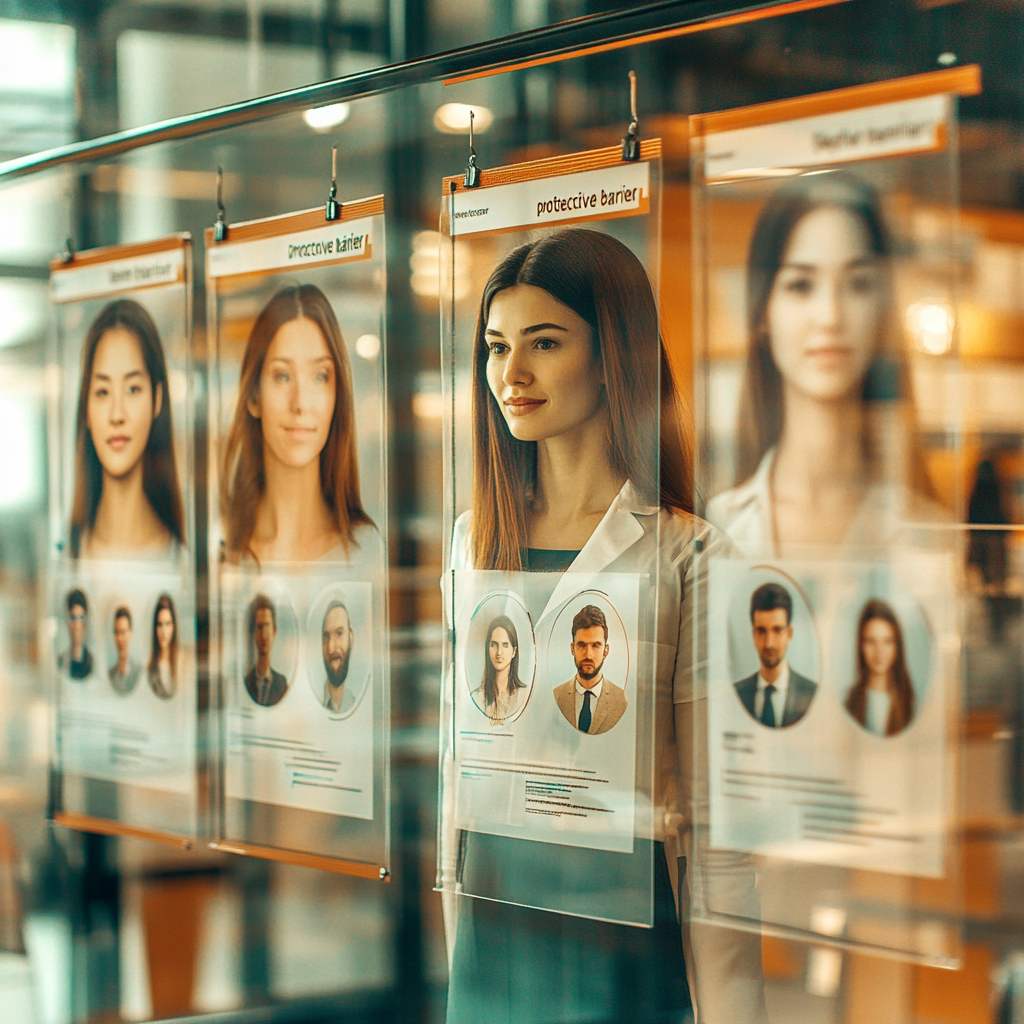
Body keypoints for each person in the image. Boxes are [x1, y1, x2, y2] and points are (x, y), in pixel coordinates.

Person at [442, 228, 767, 1022]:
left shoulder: (687, 553)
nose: (510, 375)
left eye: (543, 343)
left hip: (623, 934)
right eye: (495, 347)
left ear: (613, 351)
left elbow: (718, 825)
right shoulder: (474, 539)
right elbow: (459, 777)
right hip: (495, 921)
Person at [706, 172, 935, 557]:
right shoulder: (719, 527)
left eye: (858, 284)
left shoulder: (926, 532)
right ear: (763, 312)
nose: (830, 315)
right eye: (801, 285)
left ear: (883, 309)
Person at [221, 284, 374, 565]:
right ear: (253, 397)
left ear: (336, 396)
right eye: (282, 376)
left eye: (320, 376)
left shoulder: (368, 553)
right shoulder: (220, 551)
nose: (301, 403)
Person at [69, 299, 185, 558]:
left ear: (157, 400)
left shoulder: (181, 562)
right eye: (102, 392)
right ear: (86, 408)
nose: (117, 414)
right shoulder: (67, 558)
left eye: (133, 389)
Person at [733, 582, 817, 728]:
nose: (769, 643)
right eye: (761, 631)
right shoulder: (735, 694)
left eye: (777, 630)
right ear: (753, 635)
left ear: (789, 633)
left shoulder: (812, 696)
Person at [844, 598, 915, 738]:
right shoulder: (849, 701)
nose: (879, 652)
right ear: (860, 646)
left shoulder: (910, 702)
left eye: (887, 641)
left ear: (897, 646)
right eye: (871, 641)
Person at [552, 604, 627, 735]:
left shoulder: (621, 701)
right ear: (572, 648)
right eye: (581, 645)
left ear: (606, 650)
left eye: (596, 645)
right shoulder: (556, 697)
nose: (588, 655)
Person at [470, 613, 528, 721]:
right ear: (488, 648)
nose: (499, 652)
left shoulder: (524, 697)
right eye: (494, 645)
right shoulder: (477, 698)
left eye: (505, 645)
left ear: (514, 651)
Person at [244, 593, 287, 707]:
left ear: (274, 631)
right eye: (259, 627)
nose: (263, 635)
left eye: (267, 626)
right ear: (253, 632)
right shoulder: (246, 682)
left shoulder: (282, 683)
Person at [320, 599, 357, 714]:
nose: (331, 648)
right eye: (326, 637)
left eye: (339, 633)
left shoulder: (355, 703)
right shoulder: (313, 702)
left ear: (351, 638)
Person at [147, 593, 178, 700]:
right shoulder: (150, 667)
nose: (164, 632)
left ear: (174, 626)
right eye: (160, 625)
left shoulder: (182, 663)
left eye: (168, 624)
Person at [59, 588, 93, 680]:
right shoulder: (60, 662)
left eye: (81, 618)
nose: (77, 626)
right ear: (67, 622)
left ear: (86, 622)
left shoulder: (92, 662)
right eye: (73, 618)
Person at [108, 605, 140, 694]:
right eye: (116, 632)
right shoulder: (110, 674)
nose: (119, 638)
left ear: (130, 633)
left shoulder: (139, 672)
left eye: (123, 632)